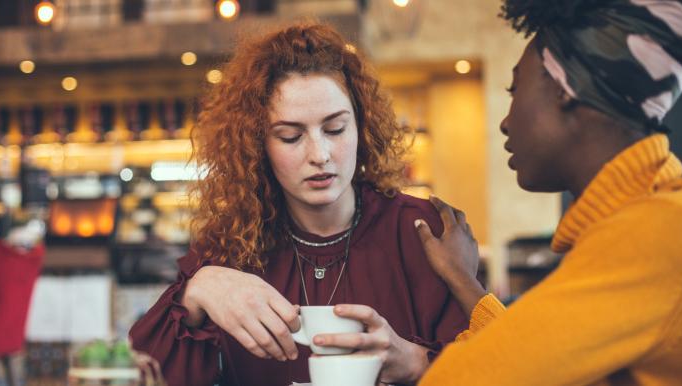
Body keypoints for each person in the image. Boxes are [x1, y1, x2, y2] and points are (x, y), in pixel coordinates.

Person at [129, 23, 467, 386]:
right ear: (258, 146)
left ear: (362, 127)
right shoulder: (232, 245)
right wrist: (197, 291)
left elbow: (497, 365)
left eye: (335, 129)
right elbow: (140, 372)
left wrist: (419, 362)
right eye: (290, 137)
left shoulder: (420, 231)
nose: (319, 155)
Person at [410, 0, 682, 385]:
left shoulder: (655, 233)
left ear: (563, 90)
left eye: (516, 88)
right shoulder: (653, 218)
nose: (506, 122)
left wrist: (419, 361)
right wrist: (464, 280)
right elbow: (535, 353)